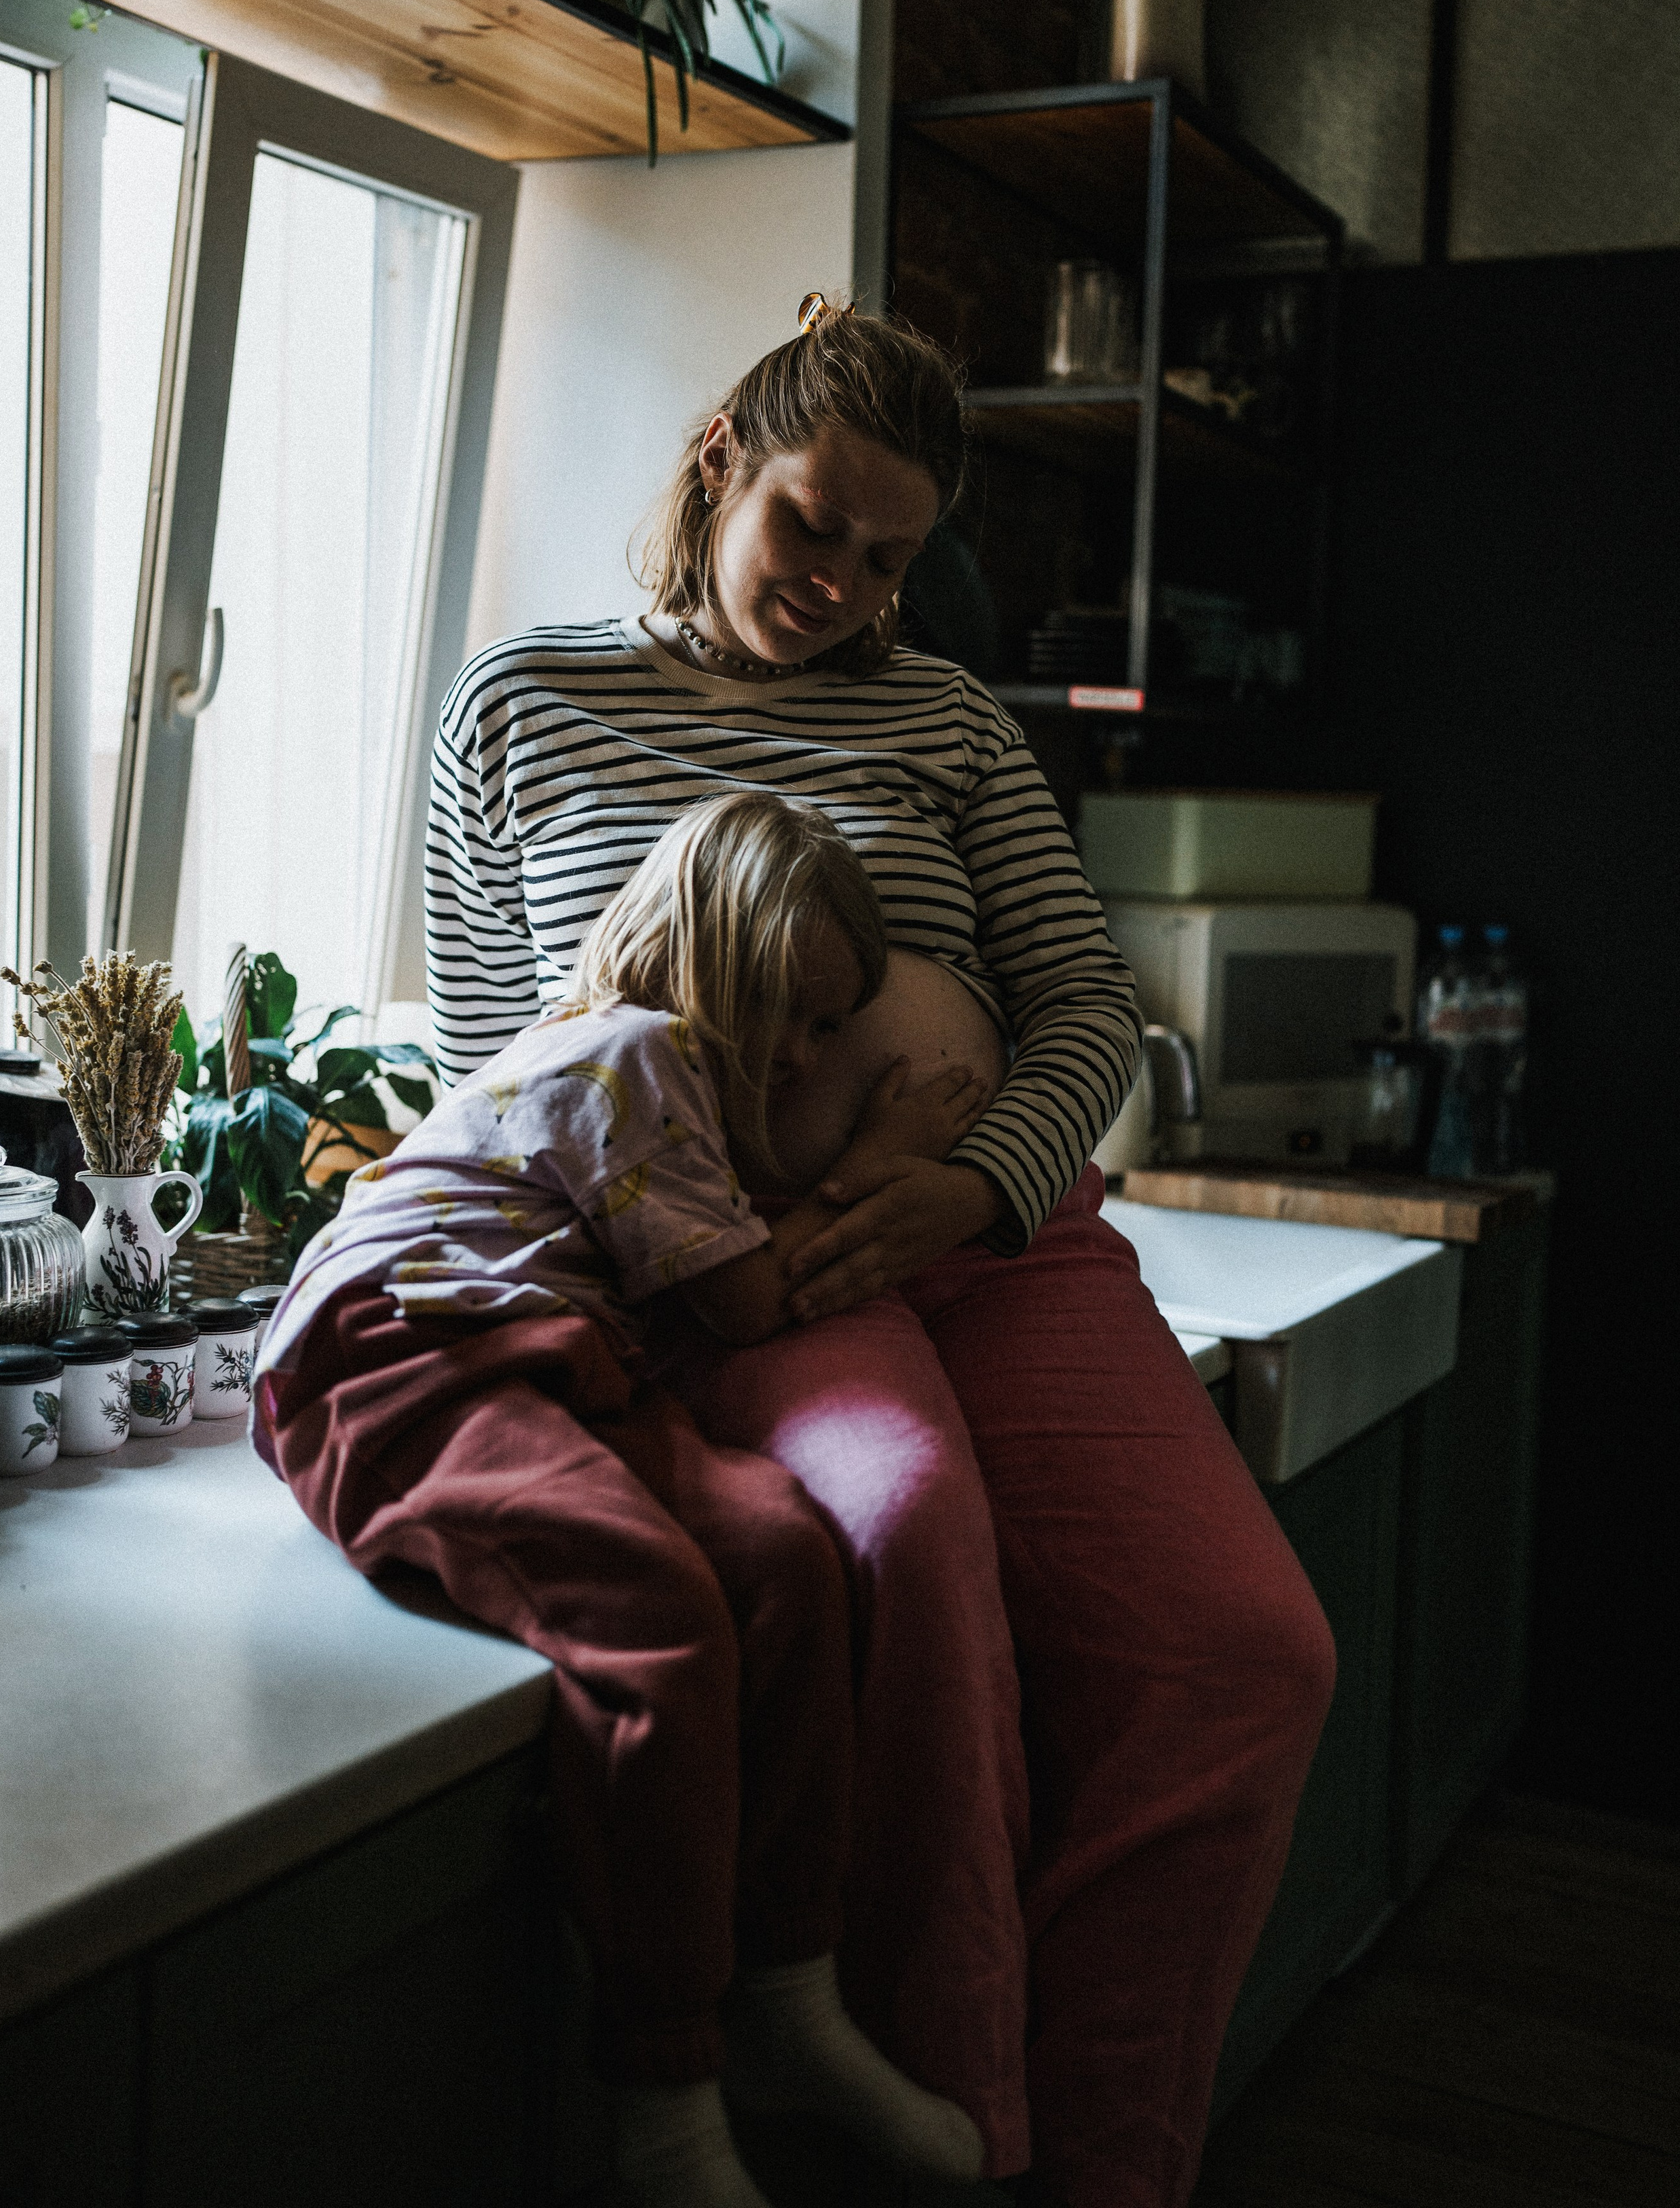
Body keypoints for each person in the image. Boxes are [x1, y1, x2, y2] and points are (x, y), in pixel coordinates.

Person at [425, 295, 1339, 2208]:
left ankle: (1107, 2163)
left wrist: (980, 1180)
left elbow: (1089, 1011)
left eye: (892, 557)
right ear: (718, 472)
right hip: (747, 1279)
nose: (840, 582)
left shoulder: (943, 718)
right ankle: (963, 2143)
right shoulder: (522, 707)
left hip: (998, 1242)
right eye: (812, 528)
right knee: (917, 1578)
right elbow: (486, 1064)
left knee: (1244, 1658)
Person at [253, 790, 992, 2208]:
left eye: (831, 1029)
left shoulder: (664, 1092)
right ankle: (661, 2095)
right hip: (400, 1355)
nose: (800, 1053)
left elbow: (717, 1266)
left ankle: (790, 1992)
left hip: (546, 1360)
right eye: (786, 1006)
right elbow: (752, 1295)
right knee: (653, 1610)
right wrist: (883, 1161)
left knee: (784, 1551)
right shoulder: (632, 1053)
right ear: (706, 955)